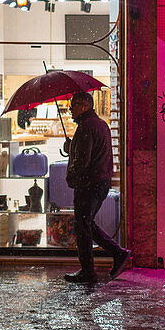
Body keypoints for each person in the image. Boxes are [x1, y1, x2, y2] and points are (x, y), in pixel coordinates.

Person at [62, 91, 129, 284]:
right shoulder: (100, 125)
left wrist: (72, 176)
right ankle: (116, 254)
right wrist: (72, 147)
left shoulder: (85, 127)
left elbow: (83, 160)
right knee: (86, 223)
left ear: (84, 106)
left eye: (73, 105)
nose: (70, 109)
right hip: (101, 182)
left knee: (82, 226)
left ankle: (89, 271)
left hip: (88, 184)